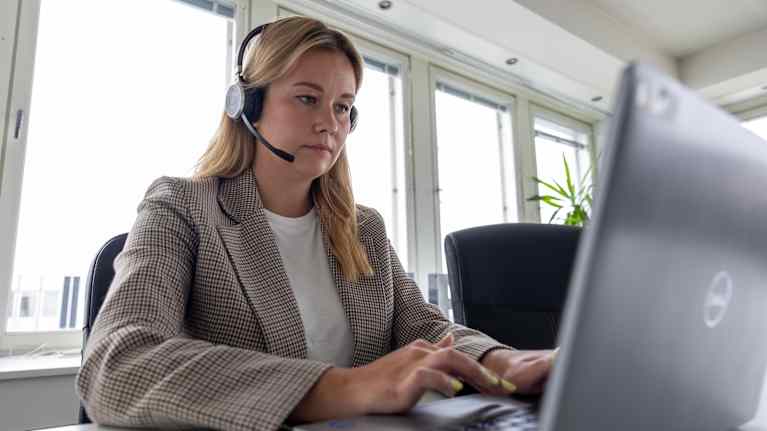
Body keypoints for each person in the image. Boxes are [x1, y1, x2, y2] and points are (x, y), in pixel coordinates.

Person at [76, 16, 556, 431]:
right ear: (247, 106)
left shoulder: (362, 227)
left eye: (343, 106)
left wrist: (499, 362)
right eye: (307, 98)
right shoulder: (181, 206)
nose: (330, 123)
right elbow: (118, 364)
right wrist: (342, 387)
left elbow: (424, 326)